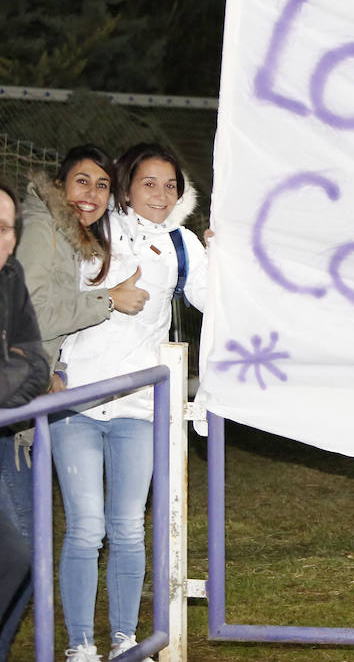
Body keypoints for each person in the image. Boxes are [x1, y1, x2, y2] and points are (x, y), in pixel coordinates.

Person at [51, 143, 206, 661]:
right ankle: (78, 645)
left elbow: (220, 299)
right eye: (148, 183)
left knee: (127, 528)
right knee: (86, 527)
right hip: (76, 400)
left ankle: (123, 639)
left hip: (140, 406)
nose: (160, 194)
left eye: (171, 185)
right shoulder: (93, 226)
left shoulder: (184, 246)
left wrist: (225, 250)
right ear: (126, 185)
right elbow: (49, 296)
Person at [3, 147, 148, 661]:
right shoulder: (44, 226)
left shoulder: (71, 235)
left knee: (21, 551)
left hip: (25, 397)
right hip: (9, 406)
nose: (91, 194)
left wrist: (56, 369)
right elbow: (39, 308)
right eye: (81, 182)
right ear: (60, 186)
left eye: (102, 185)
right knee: (21, 552)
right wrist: (109, 302)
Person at [0, 179, 53, 662]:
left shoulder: (10, 274)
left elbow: (35, 365)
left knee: (19, 561)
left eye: (7, 228)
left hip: (5, 433)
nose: (2, 239)